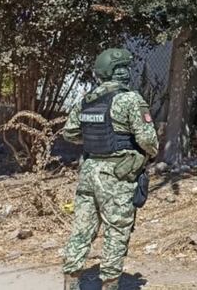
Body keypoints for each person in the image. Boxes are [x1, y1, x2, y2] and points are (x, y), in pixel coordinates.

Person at [62, 48, 159, 290]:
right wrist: (149, 153)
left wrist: (96, 143)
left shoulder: (87, 99)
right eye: (122, 68)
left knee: (82, 229)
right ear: (118, 73)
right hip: (117, 175)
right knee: (116, 232)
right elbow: (148, 140)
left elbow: (70, 133)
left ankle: (71, 282)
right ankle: (110, 285)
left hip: (89, 172)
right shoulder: (130, 99)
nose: (126, 72)